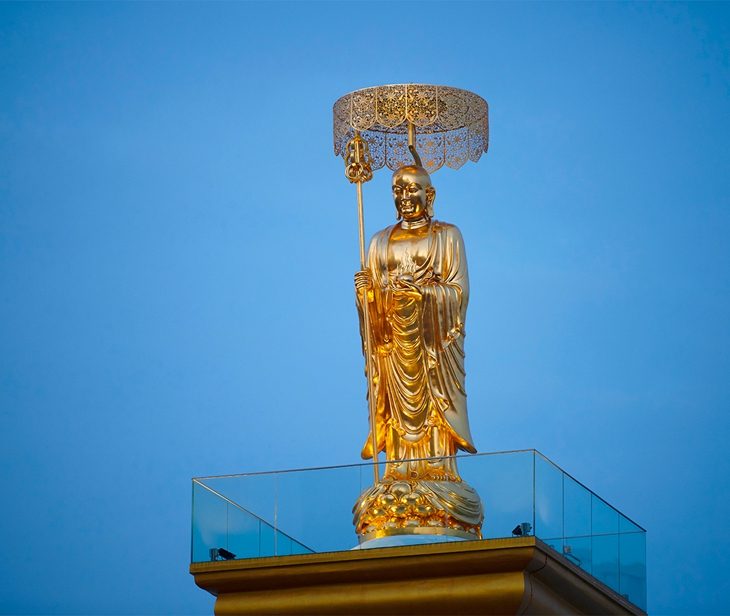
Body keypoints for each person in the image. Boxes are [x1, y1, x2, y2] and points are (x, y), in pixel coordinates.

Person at [353, 164, 483, 541]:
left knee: (432, 401)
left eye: (413, 191)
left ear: (431, 195)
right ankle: (397, 473)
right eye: (398, 191)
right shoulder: (379, 240)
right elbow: (372, 298)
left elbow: (458, 293)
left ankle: (438, 472)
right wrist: (367, 296)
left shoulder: (447, 236)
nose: (405, 198)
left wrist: (424, 294)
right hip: (393, 344)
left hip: (431, 345)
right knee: (394, 404)